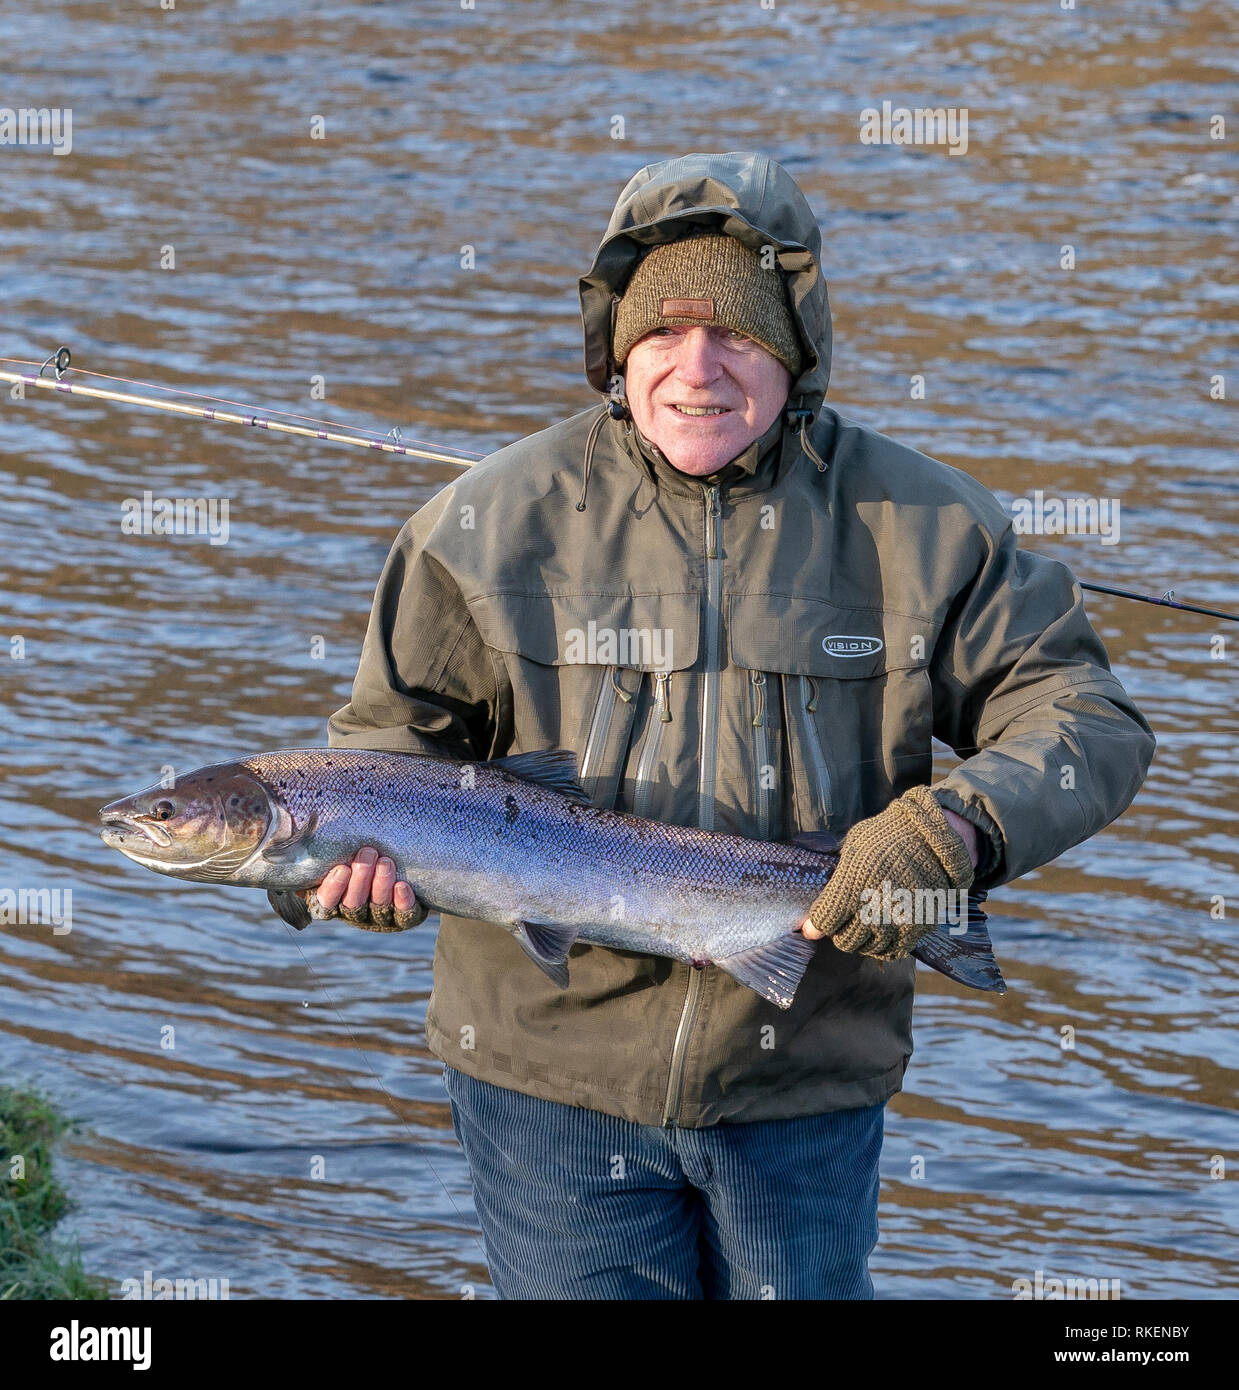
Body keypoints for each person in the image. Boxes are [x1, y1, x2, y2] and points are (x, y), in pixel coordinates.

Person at [306, 152, 1155, 1299]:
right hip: (549, 1085)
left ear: (795, 351)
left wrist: (959, 830)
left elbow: (1084, 714)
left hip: (802, 1081)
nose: (694, 369)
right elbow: (376, 758)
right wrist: (325, 874)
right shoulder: (481, 525)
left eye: (736, 335)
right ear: (617, 351)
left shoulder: (926, 526)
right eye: (661, 335)